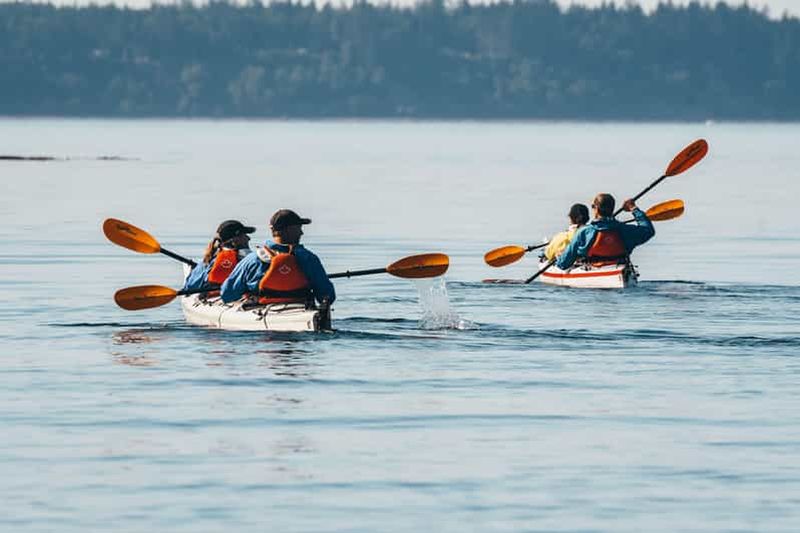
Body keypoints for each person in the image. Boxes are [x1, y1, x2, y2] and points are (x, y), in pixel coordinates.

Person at [220, 209, 336, 305]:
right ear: (289, 229)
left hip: (263, 314)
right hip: (302, 313)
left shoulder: (252, 259)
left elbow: (227, 294)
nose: (301, 233)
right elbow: (327, 296)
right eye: (299, 228)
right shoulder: (308, 258)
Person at [555, 193, 654, 270]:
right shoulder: (625, 230)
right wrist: (634, 208)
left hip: (593, 271)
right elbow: (648, 230)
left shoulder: (583, 232)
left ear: (596, 209)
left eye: (593, 206)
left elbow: (563, 264)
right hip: (619, 268)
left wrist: (559, 256)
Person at [183, 219, 256, 291]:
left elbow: (190, 286)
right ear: (236, 240)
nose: (248, 238)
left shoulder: (209, 261)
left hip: (215, 295)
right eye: (244, 235)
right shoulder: (252, 259)